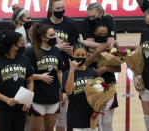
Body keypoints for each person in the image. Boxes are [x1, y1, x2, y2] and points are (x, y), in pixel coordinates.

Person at [41, 0, 79, 130]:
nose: (61, 10)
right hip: (47, 71)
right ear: (51, 9)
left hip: (66, 71)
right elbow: (38, 49)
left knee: (63, 110)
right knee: (46, 110)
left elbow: (77, 48)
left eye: (63, 7)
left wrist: (72, 51)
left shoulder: (71, 24)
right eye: (58, 8)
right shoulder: (43, 24)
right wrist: (56, 48)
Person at [0, 31, 34, 131]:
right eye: (22, 44)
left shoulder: (25, 60)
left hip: (21, 107)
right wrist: (6, 99)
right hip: (3, 108)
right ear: (13, 46)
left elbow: (30, 81)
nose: (24, 46)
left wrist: (28, 100)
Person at [26, 23, 63, 131]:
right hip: (37, 97)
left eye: (54, 34)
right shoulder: (31, 52)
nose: (55, 37)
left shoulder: (56, 50)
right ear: (43, 37)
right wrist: (39, 76)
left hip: (53, 96)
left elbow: (59, 71)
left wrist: (63, 90)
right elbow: (24, 75)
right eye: (51, 35)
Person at [84, 24, 120, 131]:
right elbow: (85, 65)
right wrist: (97, 52)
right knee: (96, 121)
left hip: (109, 86)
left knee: (107, 122)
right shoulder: (87, 48)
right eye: (99, 34)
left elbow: (118, 68)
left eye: (105, 34)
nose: (102, 36)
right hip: (93, 89)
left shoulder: (112, 48)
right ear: (94, 34)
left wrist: (105, 69)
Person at [63, 42, 107, 131]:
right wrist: (72, 71)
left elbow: (99, 94)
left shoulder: (93, 73)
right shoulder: (67, 73)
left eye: (83, 55)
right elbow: (68, 91)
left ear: (87, 55)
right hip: (75, 119)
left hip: (91, 119)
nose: (80, 57)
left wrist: (101, 104)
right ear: (73, 55)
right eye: (77, 55)